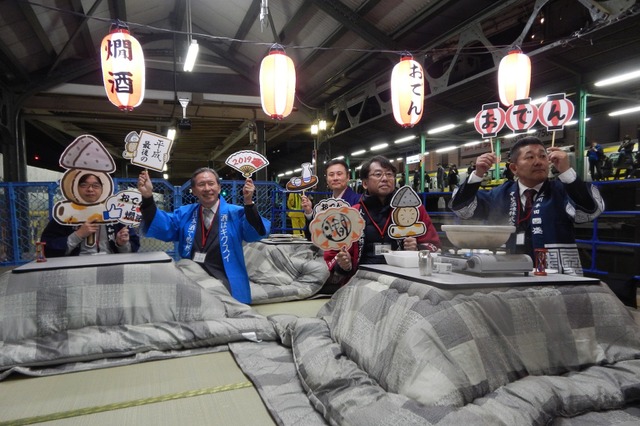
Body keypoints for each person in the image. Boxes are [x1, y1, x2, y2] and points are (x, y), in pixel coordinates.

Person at [449, 136, 604, 275]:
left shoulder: (562, 190)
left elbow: (591, 209)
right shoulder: (498, 194)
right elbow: (462, 209)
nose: (538, 162)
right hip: (507, 275)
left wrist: (567, 171)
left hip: (557, 275)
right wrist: (477, 174)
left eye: (543, 156)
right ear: (514, 168)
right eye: (530, 157)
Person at [137, 168, 270, 304]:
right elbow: (165, 226)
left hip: (226, 277)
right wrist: (148, 198)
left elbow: (253, 234)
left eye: (211, 183)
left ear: (218, 187)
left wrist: (248, 202)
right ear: (194, 191)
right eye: (201, 185)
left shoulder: (237, 213)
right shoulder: (184, 213)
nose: (207, 188)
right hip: (192, 276)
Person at [325, 155, 441, 286]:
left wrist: (417, 248)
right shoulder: (352, 214)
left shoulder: (413, 210)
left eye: (389, 174)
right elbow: (334, 254)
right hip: (361, 278)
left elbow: (434, 245)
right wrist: (344, 265)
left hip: (404, 278)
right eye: (378, 174)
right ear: (365, 183)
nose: (385, 179)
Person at [41, 173, 140, 257]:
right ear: (76, 188)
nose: (90, 189)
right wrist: (78, 235)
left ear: (103, 189)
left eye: (96, 186)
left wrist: (122, 244)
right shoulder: (65, 216)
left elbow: (132, 250)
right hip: (74, 269)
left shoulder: (115, 213)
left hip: (111, 266)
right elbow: (47, 248)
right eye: (84, 185)